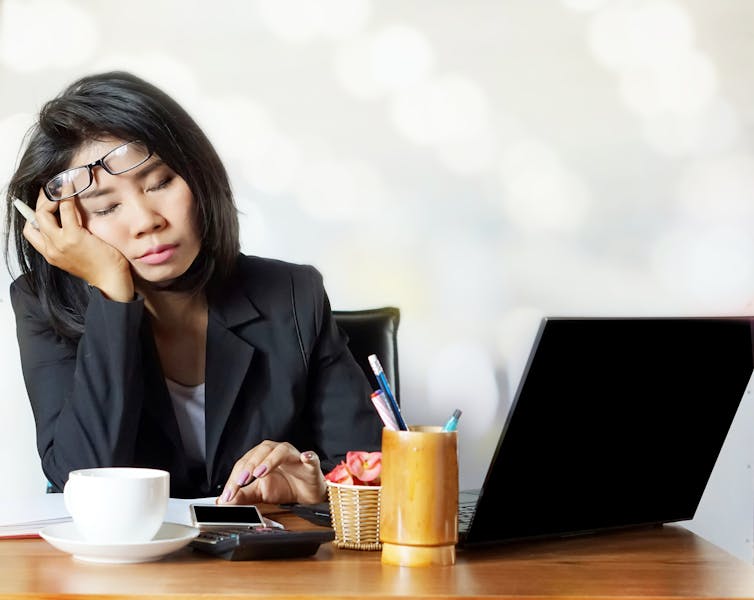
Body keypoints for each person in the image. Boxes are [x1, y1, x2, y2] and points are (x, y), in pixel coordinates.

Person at [4, 71, 382, 503]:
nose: (147, 220)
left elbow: (368, 472)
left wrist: (314, 490)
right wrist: (112, 292)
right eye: (107, 207)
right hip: (126, 568)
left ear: (197, 176)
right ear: (58, 226)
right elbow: (80, 479)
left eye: (161, 182)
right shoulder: (42, 304)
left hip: (270, 566)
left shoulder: (294, 292)